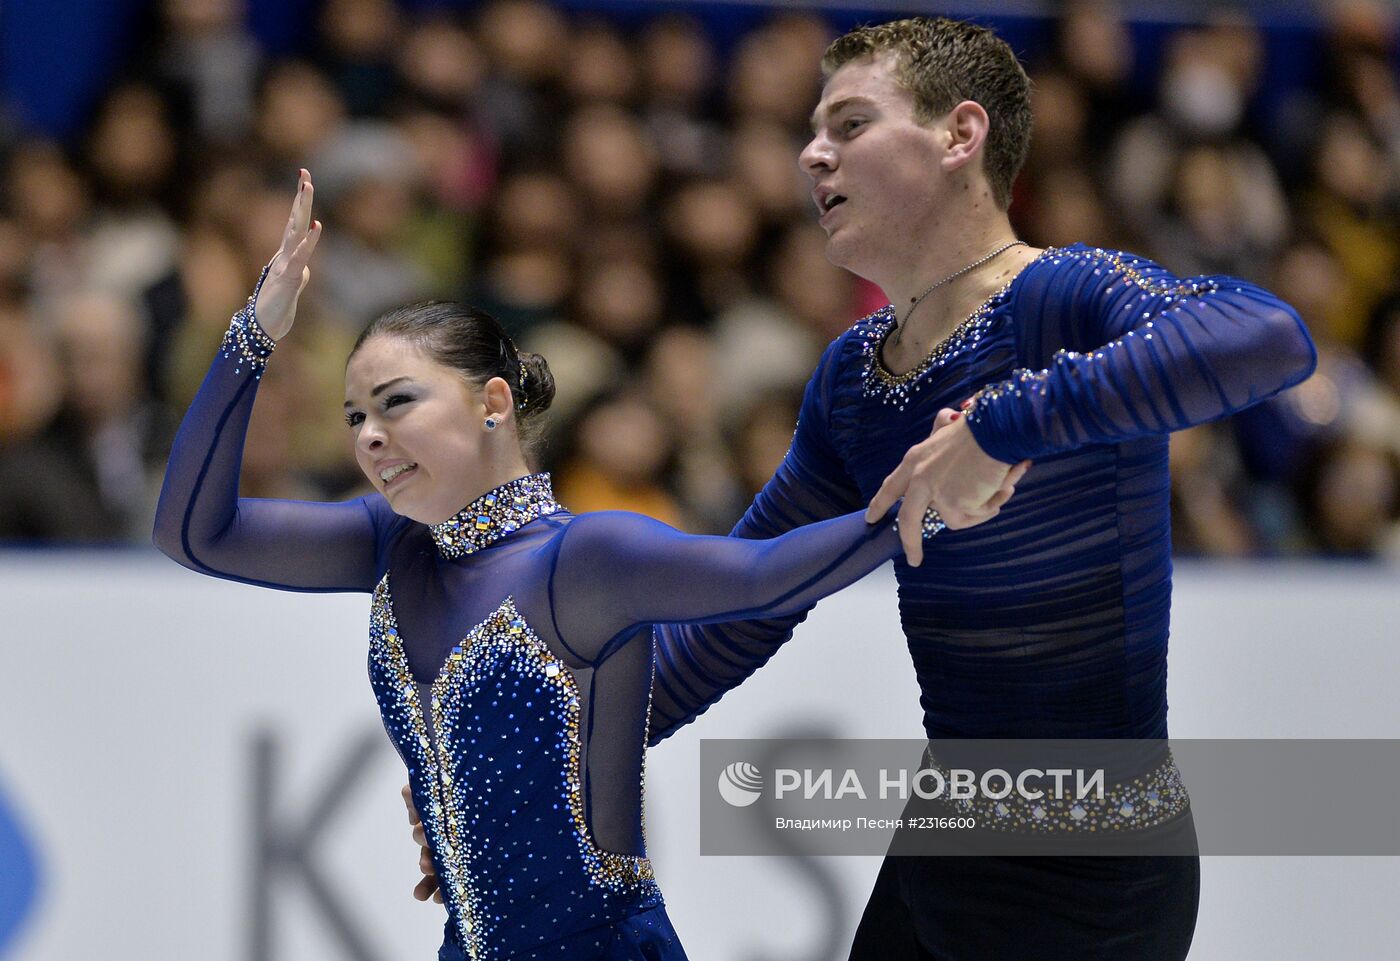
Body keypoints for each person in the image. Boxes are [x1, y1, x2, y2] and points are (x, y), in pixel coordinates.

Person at [406, 16, 1319, 961]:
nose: (810, 153)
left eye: (848, 125)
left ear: (959, 137)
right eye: (812, 129)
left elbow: (1266, 337)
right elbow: (738, 607)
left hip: (1096, 852)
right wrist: (528, 769)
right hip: (948, 837)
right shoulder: (855, 379)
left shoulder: (1067, 296)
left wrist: (1004, 423)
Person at [150, 169, 1022, 961]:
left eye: (397, 403)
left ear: (492, 402)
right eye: (354, 418)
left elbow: (764, 576)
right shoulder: (388, 544)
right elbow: (194, 532)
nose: (371, 436)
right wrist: (254, 333)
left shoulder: (585, 559)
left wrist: (929, 497)